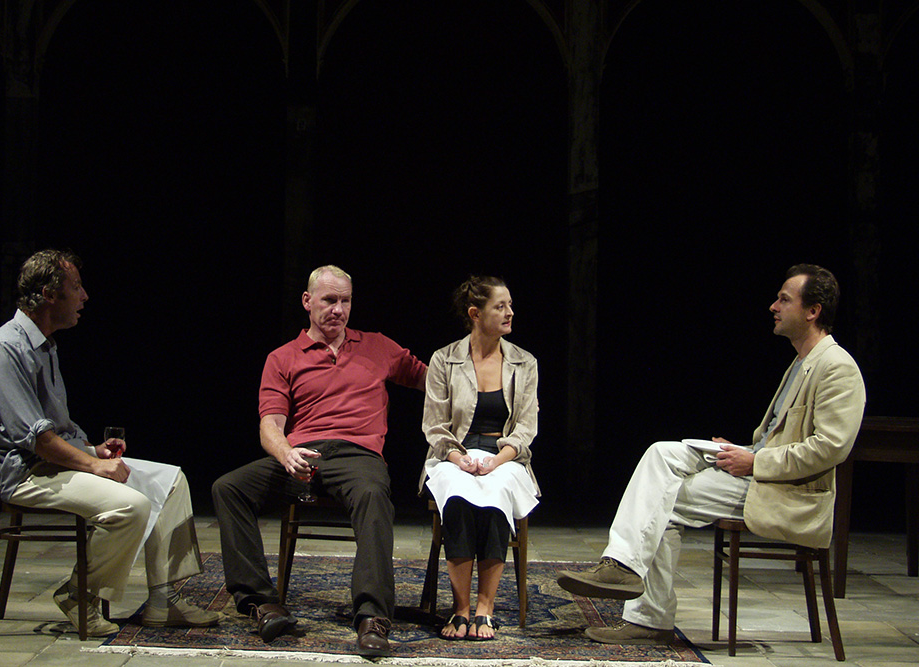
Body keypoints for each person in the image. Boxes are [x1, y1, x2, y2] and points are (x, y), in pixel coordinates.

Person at [555, 264, 866, 645]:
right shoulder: (801, 362)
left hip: (786, 493)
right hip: (759, 471)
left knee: (662, 503)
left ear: (813, 311)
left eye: (784, 300)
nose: (774, 306)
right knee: (661, 453)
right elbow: (781, 437)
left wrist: (756, 461)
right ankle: (621, 565)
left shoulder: (837, 367)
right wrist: (743, 450)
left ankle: (648, 617)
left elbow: (831, 447)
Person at [0, 249, 223, 637]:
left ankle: (163, 601)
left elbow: (56, 429)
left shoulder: (45, 345)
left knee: (172, 481)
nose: (85, 296)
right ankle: (79, 594)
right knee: (131, 507)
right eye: (76, 287)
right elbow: (37, 439)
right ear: (48, 294)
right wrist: (93, 464)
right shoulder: (6, 349)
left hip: (53, 463)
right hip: (26, 474)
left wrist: (93, 450)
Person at [212, 265, 427, 657]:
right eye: (329, 300)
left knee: (373, 494)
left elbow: (433, 380)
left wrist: (478, 364)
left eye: (345, 301)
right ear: (307, 301)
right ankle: (262, 603)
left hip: (358, 455)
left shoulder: (377, 346)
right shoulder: (282, 357)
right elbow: (270, 424)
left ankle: (372, 617)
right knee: (228, 488)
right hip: (302, 456)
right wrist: (286, 453)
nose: (338, 310)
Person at [421, 276, 540, 640]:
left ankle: (485, 609)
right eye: (500, 306)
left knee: (497, 493)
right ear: (475, 314)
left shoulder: (524, 362)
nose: (510, 313)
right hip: (454, 454)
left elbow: (526, 427)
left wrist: (497, 460)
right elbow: (435, 425)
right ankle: (461, 609)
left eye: (510, 305)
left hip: (505, 457)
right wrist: (458, 459)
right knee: (458, 495)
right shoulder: (444, 360)